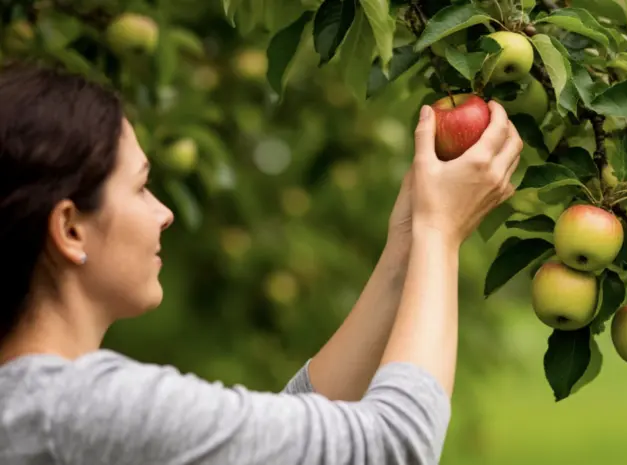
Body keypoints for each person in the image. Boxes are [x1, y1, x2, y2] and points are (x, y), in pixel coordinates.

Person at [0, 62, 523, 465]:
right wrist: (440, 234)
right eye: (140, 187)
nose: (163, 213)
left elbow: (277, 440)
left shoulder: (35, 404)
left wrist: (405, 249)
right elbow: (392, 447)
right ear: (69, 228)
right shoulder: (74, 408)